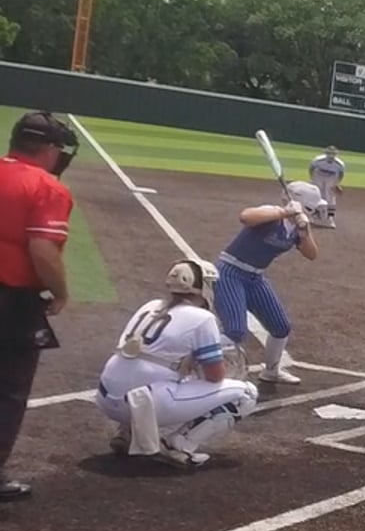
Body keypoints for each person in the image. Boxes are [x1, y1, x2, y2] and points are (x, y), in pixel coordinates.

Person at [96, 260, 260, 468]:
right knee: (246, 394)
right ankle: (179, 444)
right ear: (202, 287)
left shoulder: (150, 306)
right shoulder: (203, 318)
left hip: (105, 397)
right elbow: (215, 376)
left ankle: (126, 432)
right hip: (141, 405)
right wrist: (197, 369)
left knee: (151, 372)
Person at [0, 111, 78, 502]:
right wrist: (60, 292)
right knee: (8, 390)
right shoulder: (47, 187)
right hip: (11, 301)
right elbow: (43, 249)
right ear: (48, 149)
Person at [214, 181, 323, 385]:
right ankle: (206, 370)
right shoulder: (272, 214)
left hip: (255, 278)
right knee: (235, 330)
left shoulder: (297, 227)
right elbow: (245, 217)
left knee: (281, 327)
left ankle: (271, 371)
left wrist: (304, 232)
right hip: (230, 273)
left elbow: (311, 254)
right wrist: (284, 212)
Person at [308, 145, 346, 229]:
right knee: (317, 195)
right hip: (318, 176)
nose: (331, 156)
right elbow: (311, 168)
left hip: (331, 178)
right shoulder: (318, 160)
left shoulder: (339, 164)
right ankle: (315, 214)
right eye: (329, 153)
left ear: (336, 155)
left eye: (333, 154)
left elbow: (341, 174)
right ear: (326, 153)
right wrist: (312, 179)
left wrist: (337, 183)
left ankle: (330, 218)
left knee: (330, 197)